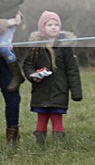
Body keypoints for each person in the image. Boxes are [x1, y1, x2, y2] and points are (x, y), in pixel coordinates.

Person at [23, 11, 82, 145]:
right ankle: (39, 144)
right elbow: (28, 65)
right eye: (49, 25)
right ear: (42, 28)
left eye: (56, 24)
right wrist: (33, 76)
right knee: (42, 118)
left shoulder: (65, 47)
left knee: (57, 117)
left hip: (59, 90)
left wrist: (76, 92)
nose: (54, 27)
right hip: (41, 90)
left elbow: (72, 70)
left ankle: (58, 145)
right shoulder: (36, 47)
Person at [0, 0, 35, 94]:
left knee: (3, 47)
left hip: (8, 24)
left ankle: (16, 74)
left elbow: (3, 4)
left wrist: (10, 21)